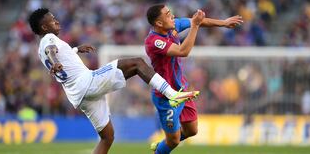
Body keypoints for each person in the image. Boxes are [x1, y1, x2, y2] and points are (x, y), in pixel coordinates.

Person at [27, 8, 200, 154]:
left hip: (78, 96)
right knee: (137, 63)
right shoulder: (49, 40)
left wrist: (76, 49)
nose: (57, 22)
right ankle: (171, 94)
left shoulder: (40, 49)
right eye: (52, 20)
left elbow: (57, 53)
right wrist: (56, 62)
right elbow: (52, 50)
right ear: (44, 27)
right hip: (87, 83)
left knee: (107, 137)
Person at [145, 4, 243, 154]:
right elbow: (183, 51)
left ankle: (162, 145)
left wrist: (223, 23)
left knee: (192, 130)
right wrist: (195, 26)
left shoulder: (172, 26)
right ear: (158, 23)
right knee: (174, 141)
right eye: (168, 14)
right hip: (166, 96)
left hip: (181, 91)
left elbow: (197, 20)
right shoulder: (154, 41)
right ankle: (160, 150)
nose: (172, 16)